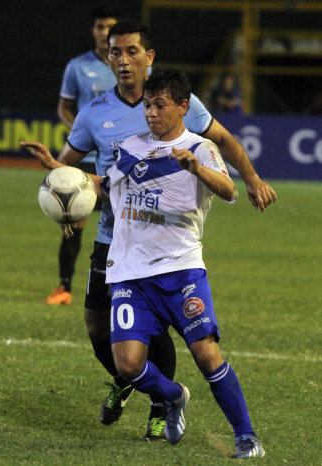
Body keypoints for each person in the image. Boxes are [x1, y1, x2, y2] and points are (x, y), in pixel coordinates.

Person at [21, 19, 277, 442]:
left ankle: (228, 429)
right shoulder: (112, 128)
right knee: (102, 334)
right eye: (115, 52)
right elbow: (95, 181)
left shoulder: (193, 127)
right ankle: (158, 391)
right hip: (120, 250)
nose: (122, 60)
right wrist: (65, 188)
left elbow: (225, 172)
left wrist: (245, 178)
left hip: (178, 263)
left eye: (131, 52)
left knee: (203, 353)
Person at [46, 5, 120, 305]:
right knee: (73, 224)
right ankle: (64, 287)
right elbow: (64, 106)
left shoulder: (134, 65)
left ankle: (122, 287)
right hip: (84, 160)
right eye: (101, 27)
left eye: (110, 27)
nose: (105, 32)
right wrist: (81, 131)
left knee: (123, 224)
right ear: (94, 31)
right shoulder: (78, 66)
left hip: (118, 162)